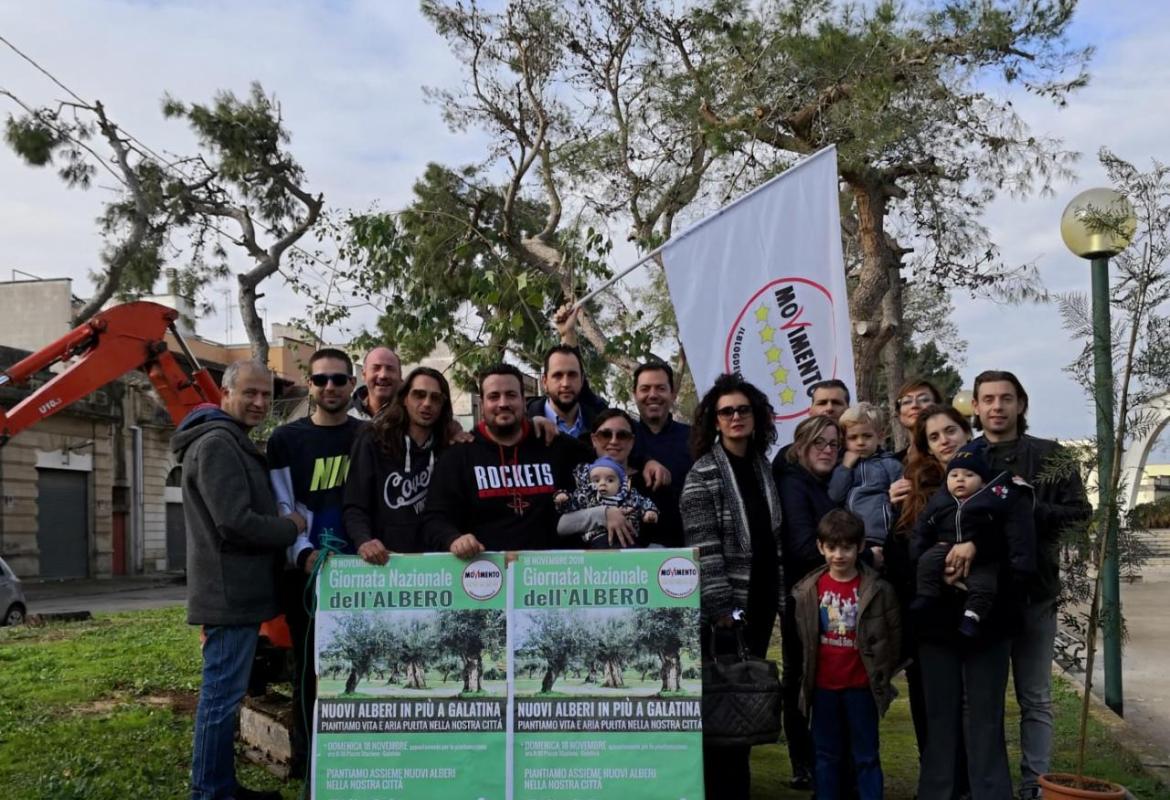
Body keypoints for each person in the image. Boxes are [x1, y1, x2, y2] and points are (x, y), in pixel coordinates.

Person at [172, 360, 305, 800]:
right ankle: (209, 791)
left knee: (224, 698)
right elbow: (234, 522)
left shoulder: (230, 441)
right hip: (229, 597)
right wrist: (292, 526)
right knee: (219, 700)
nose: (259, 403)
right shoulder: (217, 445)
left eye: (266, 395)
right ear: (225, 393)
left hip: (236, 594)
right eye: (249, 393)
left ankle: (219, 785)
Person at [971, 370, 1091, 800]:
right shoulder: (968, 456)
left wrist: (1029, 506)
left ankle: (1034, 786)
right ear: (977, 406)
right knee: (983, 704)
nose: (997, 406)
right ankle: (989, 786)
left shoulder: (1051, 455)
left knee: (1035, 697)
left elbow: (1080, 515)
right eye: (988, 399)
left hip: (1037, 594)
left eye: (1006, 398)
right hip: (982, 599)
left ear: (1021, 404)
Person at [681, 374, 784, 800]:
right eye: (727, 411)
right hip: (726, 612)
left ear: (756, 416)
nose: (736, 416)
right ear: (714, 421)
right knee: (723, 702)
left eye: (743, 409)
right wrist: (725, 612)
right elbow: (703, 549)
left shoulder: (762, 467)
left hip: (761, 600)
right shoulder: (703, 474)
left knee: (742, 698)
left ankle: (737, 788)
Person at [267, 348, 364, 779]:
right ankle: (309, 762)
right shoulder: (286, 440)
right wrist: (302, 554)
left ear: (352, 385)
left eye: (339, 380)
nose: (330, 387)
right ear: (309, 384)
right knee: (309, 670)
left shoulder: (369, 436)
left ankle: (358, 754)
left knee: (361, 664)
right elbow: (281, 505)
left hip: (365, 575)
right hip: (308, 576)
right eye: (321, 379)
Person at [886, 404, 973, 777]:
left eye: (950, 431)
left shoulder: (989, 478)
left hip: (977, 606)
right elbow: (899, 549)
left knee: (974, 702)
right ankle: (937, 775)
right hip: (929, 610)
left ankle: (973, 777)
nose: (944, 441)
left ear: (966, 432)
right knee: (930, 700)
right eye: (934, 437)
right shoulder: (913, 485)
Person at [423, 363, 590, 556]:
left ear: (523, 400)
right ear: (482, 403)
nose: (503, 403)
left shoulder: (555, 445)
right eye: (494, 396)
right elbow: (434, 519)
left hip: (551, 575)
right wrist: (452, 538)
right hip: (484, 575)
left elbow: (608, 456)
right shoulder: (458, 456)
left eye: (511, 395)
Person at [793, 509, 901, 800]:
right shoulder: (807, 591)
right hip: (824, 688)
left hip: (862, 688)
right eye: (831, 548)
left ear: (860, 547)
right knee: (826, 755)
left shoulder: (879, 590)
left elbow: (893, 637)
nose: (839, 555)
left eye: (846, 548)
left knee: (866, 755)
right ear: (820, 547)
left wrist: (881, 673)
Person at [775, 414, 841, 790]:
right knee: (800, 679)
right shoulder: (795, 484)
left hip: (828, 598)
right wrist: (861, 556)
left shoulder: (825, 484)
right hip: (803, 599)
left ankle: (820, 758)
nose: (828, 450)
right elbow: (801, 548)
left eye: (834, 444)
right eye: (820, 443)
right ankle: (804, 763)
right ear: (801, 447)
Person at [911, 442, 1036, 638]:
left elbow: (1006, 532)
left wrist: (979, 545)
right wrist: (919, 552)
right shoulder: (940, 501)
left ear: (983, 482)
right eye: (954, 476)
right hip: (945, 547)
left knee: (984, 585)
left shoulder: (990, 502)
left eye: (969, 476)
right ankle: (926, 595)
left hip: (983, 559)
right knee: (927, 562)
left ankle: (973, 616)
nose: (960, 480)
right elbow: (923, 526)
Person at [344, 367, 454, 562]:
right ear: (404, 398)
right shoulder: (373, 440)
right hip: (385, 563)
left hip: (438, 565)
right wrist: (363, 540)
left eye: (435, 398)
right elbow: (355, 505)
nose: (427, 403)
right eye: (419, 395)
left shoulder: (449, 447)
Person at [555, 408, 662, 548]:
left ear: (632, 441)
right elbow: (561, 526)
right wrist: (603, 514)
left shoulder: (649, 480)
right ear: (594, 439)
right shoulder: (579, 478)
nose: (614, 441)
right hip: (588, 566)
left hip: (638, 566)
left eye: (622, 435)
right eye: (605, 435)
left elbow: (664, 536)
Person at [828, 402, 903, 557]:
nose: (860, 442)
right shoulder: (842, 466)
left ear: (880, 436)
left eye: (867, 436)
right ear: (844, 440)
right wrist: (846, 467)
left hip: (880, 534)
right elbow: (835, 495)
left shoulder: (891, 465)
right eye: (853, 437)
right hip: (849, 535)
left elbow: (902, 500)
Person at [631, 360, 692, 546]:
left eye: (660, 388)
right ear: (634, 394)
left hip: (683, 552)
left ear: (673, 394)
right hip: (629, 555)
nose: (653, 395)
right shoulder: (621, 437)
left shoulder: (694, 438)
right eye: (645, 389)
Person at [554, 455, 658, 548]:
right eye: (596, 480)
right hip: (600, 539)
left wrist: (649, 512)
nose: (603, 483)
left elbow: (644, 503)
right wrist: (563, 499)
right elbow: (572, 507)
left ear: (621, 483)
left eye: (610, 480)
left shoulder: (630, 496)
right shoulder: (587, 496)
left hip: (629, 538)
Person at [891, 379, 943, 462]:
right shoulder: (893, 463)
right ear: (899, 413)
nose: (914, 405)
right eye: (907, 401)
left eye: (924, 400)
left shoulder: (950, 453)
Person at [349, 346, 402, 420]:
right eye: (376, 368)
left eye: (390, 369)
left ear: (400, 376)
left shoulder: (413, 416)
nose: (383, 375)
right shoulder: (343, 415)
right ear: (363, 374)